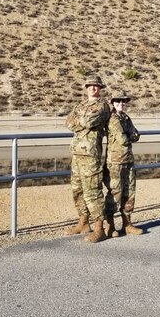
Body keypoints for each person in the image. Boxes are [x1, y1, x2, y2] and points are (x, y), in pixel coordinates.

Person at [66, 73, 111, 243]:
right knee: (77, 191)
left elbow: (89, 122)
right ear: (85, 88)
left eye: (96, 86)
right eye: (90, 85)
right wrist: (80, 120)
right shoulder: (81, 104)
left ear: (100, 88)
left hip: (91, 155)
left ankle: (99, 228)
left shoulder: (102, 105)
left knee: (93, 192)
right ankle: (83, 222)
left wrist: (80, 120)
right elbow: (68, 122)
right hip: (77, 154)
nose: (93, 88)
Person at [104, 92, 143, 236]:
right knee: (115, 193)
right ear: (113, 103)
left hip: (128, 161)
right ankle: (110, 225)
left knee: (129, 192)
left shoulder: (126, 118)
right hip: (115, 162)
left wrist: (129, 134)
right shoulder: (113, 119)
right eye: (118, 101)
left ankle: (127, 224)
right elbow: (123, 139)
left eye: (123, 101)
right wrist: (129, 135)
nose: (121, 103)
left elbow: (136, 135)